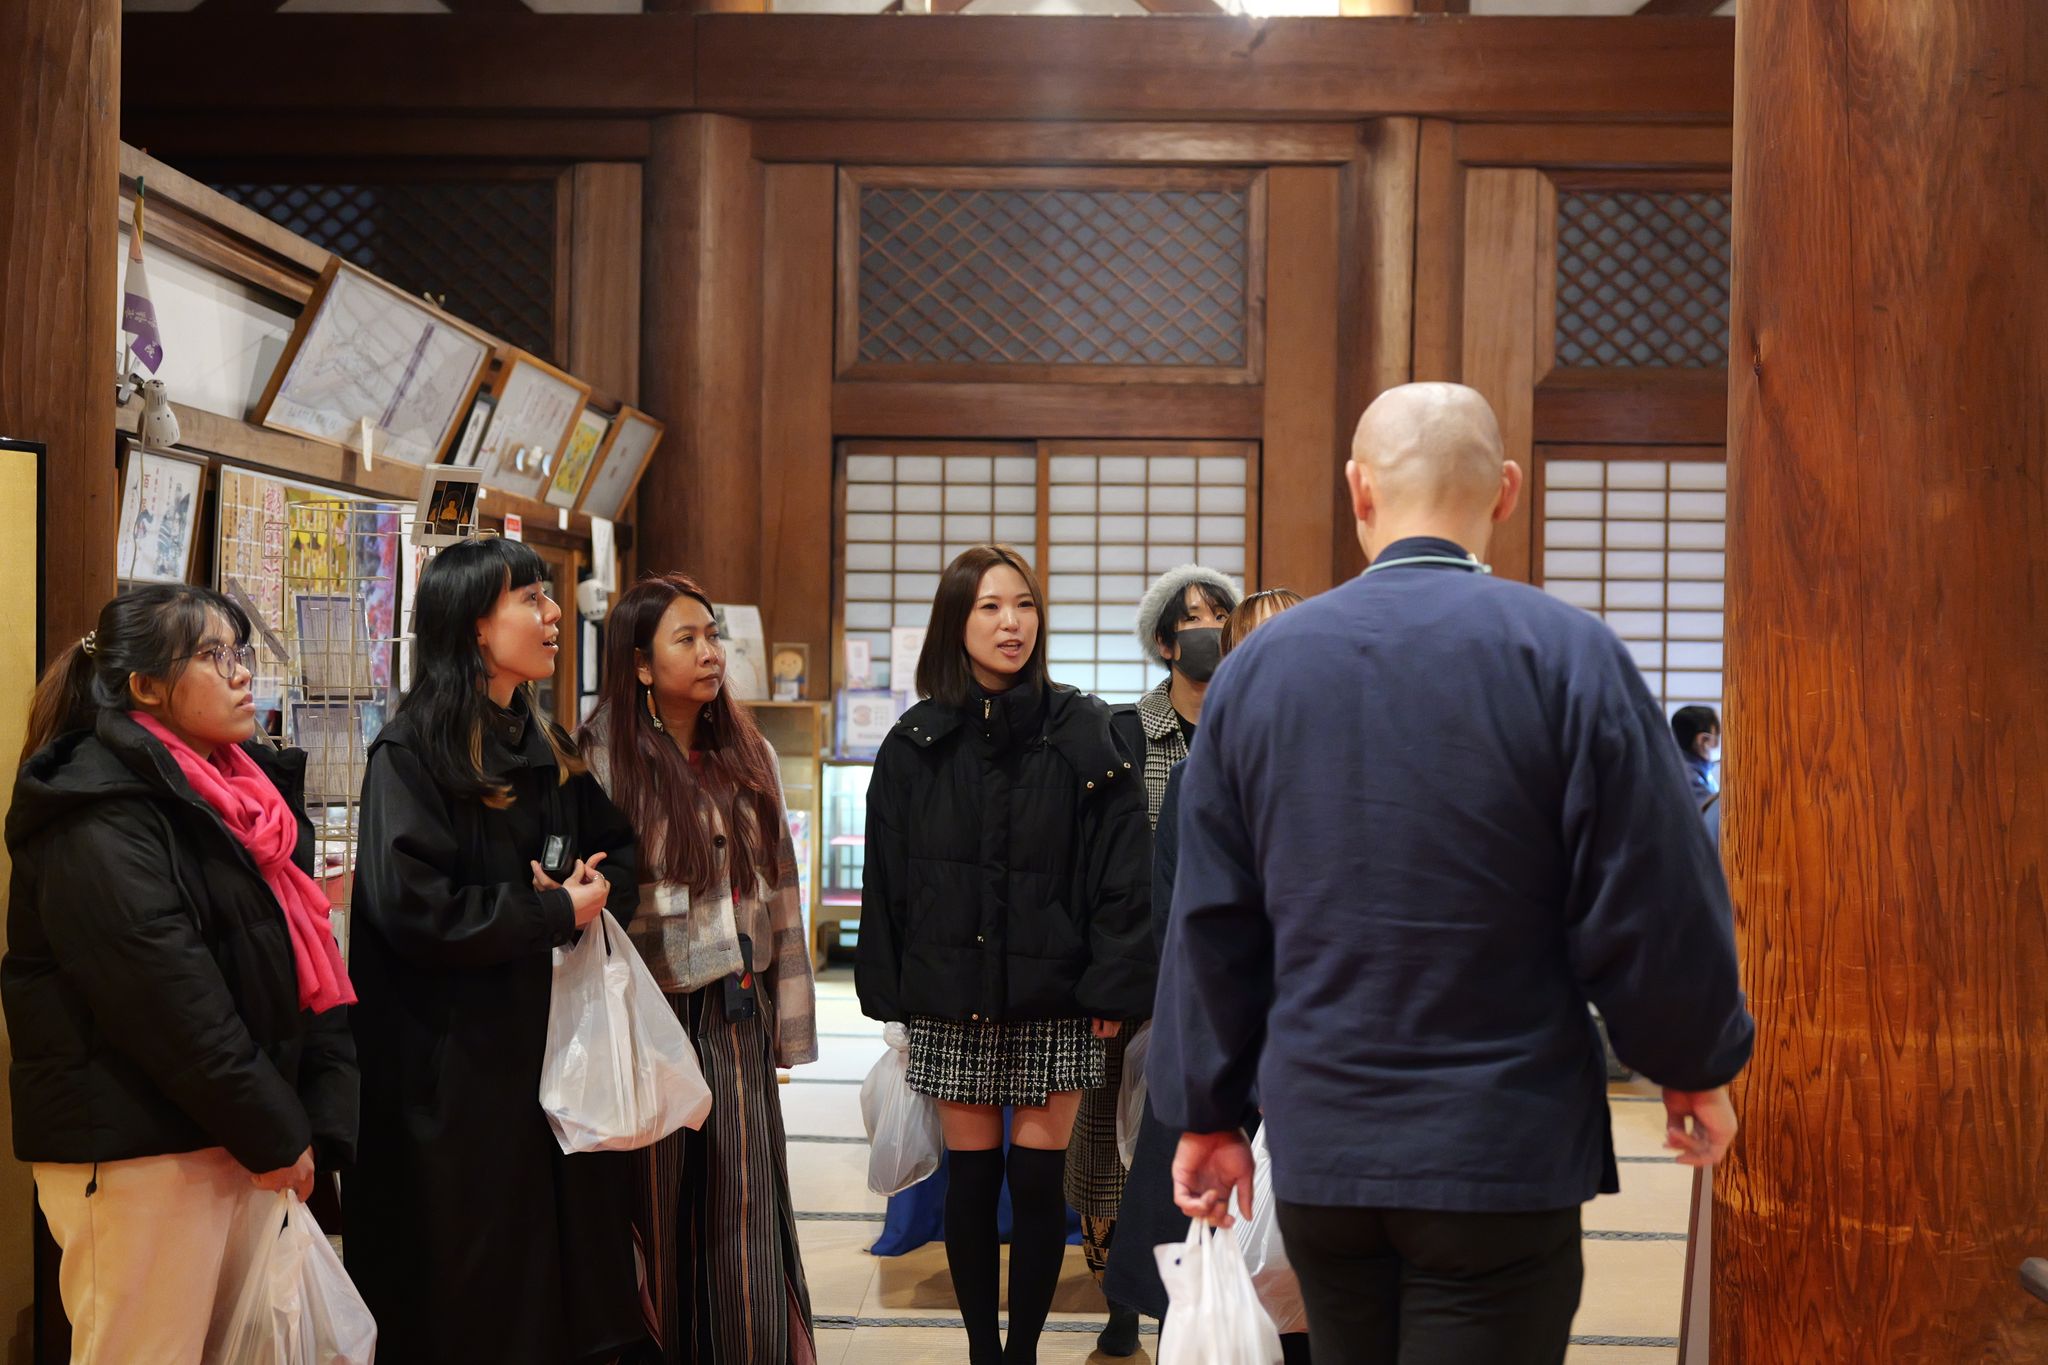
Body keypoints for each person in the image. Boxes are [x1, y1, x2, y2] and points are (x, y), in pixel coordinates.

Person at [1154, 383, 1755, 1365]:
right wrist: (1692, 1063)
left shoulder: (1260, 673)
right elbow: (1650, 897)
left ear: (1358, 492)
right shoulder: (1567, 655)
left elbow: (1212, 921)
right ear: (1505, 493)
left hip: (1324, 1143)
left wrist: (1207, 1112)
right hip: (1499, 1143)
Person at [5, 586, 358, 1364]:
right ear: (145, 686)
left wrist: (311, 1120)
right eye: (212, 654)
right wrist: (275, 1128)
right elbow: (169, 998)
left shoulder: (245, 796)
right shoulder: (94, 805)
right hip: (139, 1149)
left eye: (240, 651)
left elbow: (299, 968)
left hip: (230, 1138)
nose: (240, 674)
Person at [347, 535, 646, 1365]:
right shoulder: (412, 753)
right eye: (532, 599)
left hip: (544, 1056)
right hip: (450, 1075)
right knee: (465, 1282)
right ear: (475, 625)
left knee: (552, 1272)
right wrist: (552, 912)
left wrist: (594, 884)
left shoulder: (543, 738)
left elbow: (618, 845)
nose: (554, 616)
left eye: (549, 598)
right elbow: (415, 911)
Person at [856, 543, 1155, 1365]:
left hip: (1058, 994)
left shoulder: (1087, 731)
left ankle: (1020, 1354)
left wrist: (1113, 985)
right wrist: (893, 997)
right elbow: (886, 882)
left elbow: (1125, 877)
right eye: (989, 606)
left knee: (1035, 1186)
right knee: (972, 1180)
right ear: (956, 623)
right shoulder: (915, 743)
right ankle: (983, 1353)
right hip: (953, 995)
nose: (1011, 622)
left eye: (1022, 604)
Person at [580, 572, 819, 1364]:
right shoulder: (601, 753)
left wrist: (790, 1030)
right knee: (656, 1206)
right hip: (647, 1017)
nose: (711, 652)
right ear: (641, 663)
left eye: (713, 635)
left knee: (741, 1205)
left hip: (735, 1012)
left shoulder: (744, 749)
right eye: (687, 638)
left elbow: (782, 890)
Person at [1105, 587, 1309, 1363]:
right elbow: (1183, 935)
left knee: (1289, 1285)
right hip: (1225, 1054)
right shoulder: (1204, 776)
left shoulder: (1327, 767)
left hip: (1292, 1058)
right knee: (1209, 1281)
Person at [1081, 563, 1241, 1355]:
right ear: (1163, 639)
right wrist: (1111, 974)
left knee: (1172, 1132)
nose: (1208, 626)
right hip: (1129, 954)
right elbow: (1105, 861)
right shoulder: (1124, 729)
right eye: (1194, 616)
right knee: (1113, 1146)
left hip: (1200, 960)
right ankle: (1120, 1310)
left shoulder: (1247, 726)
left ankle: (1185, 1304)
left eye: (1220, 613)